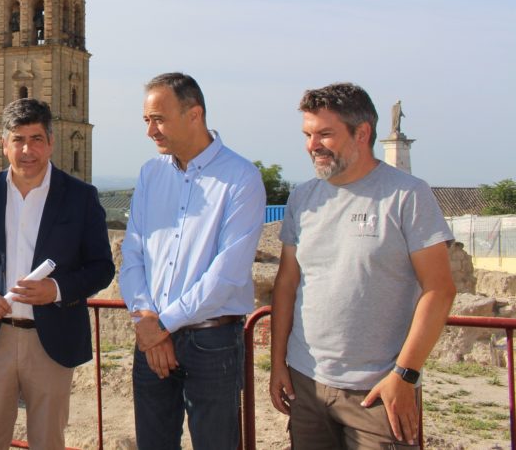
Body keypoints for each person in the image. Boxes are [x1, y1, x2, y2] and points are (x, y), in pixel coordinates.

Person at [269, 83, 455, 448]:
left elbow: (440, 289)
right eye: (308, 134)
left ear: (363, 133)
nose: (312, 145)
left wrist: (404, 374)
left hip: (378, 391)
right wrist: (278, 364)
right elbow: (287, 284)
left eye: (325, 134)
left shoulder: (408, 195)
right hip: (306, 384)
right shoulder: (302, 198)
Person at [0, 98, 115, 450]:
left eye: (37, 139)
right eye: (19, 139)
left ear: (51, 142)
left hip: (51, 340)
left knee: (48, 442)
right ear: (4, 144)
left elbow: (102, 267)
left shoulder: (81, 196)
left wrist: (56, 289)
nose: (28, 149)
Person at [118, 72, 265, 450]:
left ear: (194, 115)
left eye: (159, 119)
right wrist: (147, 319)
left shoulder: (240, 178)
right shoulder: (151, 174)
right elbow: (133, 251)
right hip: (152, 335)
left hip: (211, 341)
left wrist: (160, 325)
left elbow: (227, 273)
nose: (150, 131)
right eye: (146, 120)